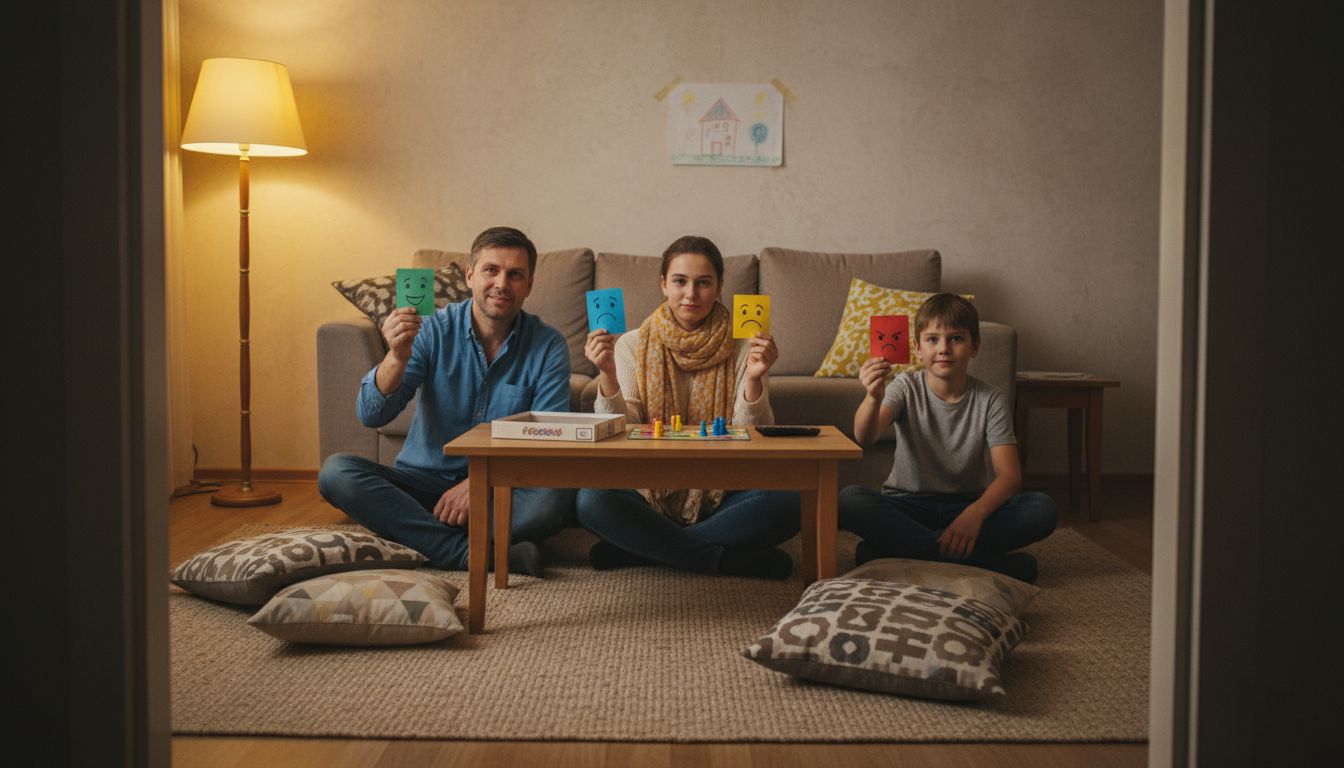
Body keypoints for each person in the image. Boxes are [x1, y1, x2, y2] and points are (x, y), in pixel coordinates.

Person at [317, 226, 574, 577]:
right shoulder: (431, 329)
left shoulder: (549, 345)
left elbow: (549, 436)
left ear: (529, 285)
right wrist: (396, 356)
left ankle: (420, 534)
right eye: (491, 270)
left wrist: (480, 483)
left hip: (500, 487)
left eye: (515, 275)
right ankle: (467, 552)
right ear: (470, 276)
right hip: (424, 482)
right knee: (337, 472)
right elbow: (372, 414)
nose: (502, 283)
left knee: (556, 498)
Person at [574, 235, 800, 579]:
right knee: (592, 500)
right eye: (680, 281)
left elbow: (754, 436)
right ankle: (720, 559)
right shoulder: (632, 344)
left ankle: (643, 547)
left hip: (724, 492)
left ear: (719, 287)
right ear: (663, 284)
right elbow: (619, 432)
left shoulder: (746, 346)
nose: (691, 294)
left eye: (703, 283)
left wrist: (754, 379)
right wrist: (607, 374)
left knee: (789, 501)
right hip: (647, 492)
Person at [838, 293, 1057, 583]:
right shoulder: (904, 386)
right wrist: (872, 397)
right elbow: (864, 437)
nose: (943, 349)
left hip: (967, 506)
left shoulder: (991, 398)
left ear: (975, 346)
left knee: (1042, 509)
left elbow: (1010, 476)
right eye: (932, 339)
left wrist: (974, 515)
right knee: (850, 500)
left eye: (956, 338)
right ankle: (982, 563)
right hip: (907, 505)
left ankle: (900, 553)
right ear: (917, 348)